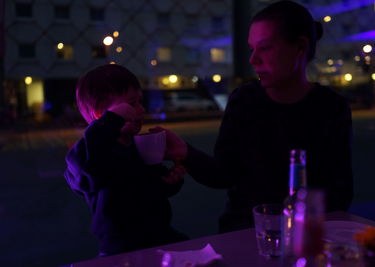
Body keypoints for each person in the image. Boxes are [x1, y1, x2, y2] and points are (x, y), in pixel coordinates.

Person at [152, 0, 353, 233]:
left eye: (265, 48)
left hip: (304, 234)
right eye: (252, 49)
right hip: (244, 229)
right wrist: (184, 151)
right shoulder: (244, 100)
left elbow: (339, 194)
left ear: (300, 47)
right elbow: (224, 173)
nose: (253, 59)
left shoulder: (330, 107)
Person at [64, 64, 187, 256]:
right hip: (120, 247)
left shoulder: (136, 145)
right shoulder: (90, 151)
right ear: (101, 114)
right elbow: (85, 172)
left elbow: (151, 186)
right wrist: (109, 122)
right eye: (131, 104)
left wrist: (171, 180)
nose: (141, 109)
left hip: (159, 235)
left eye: (140, 101)